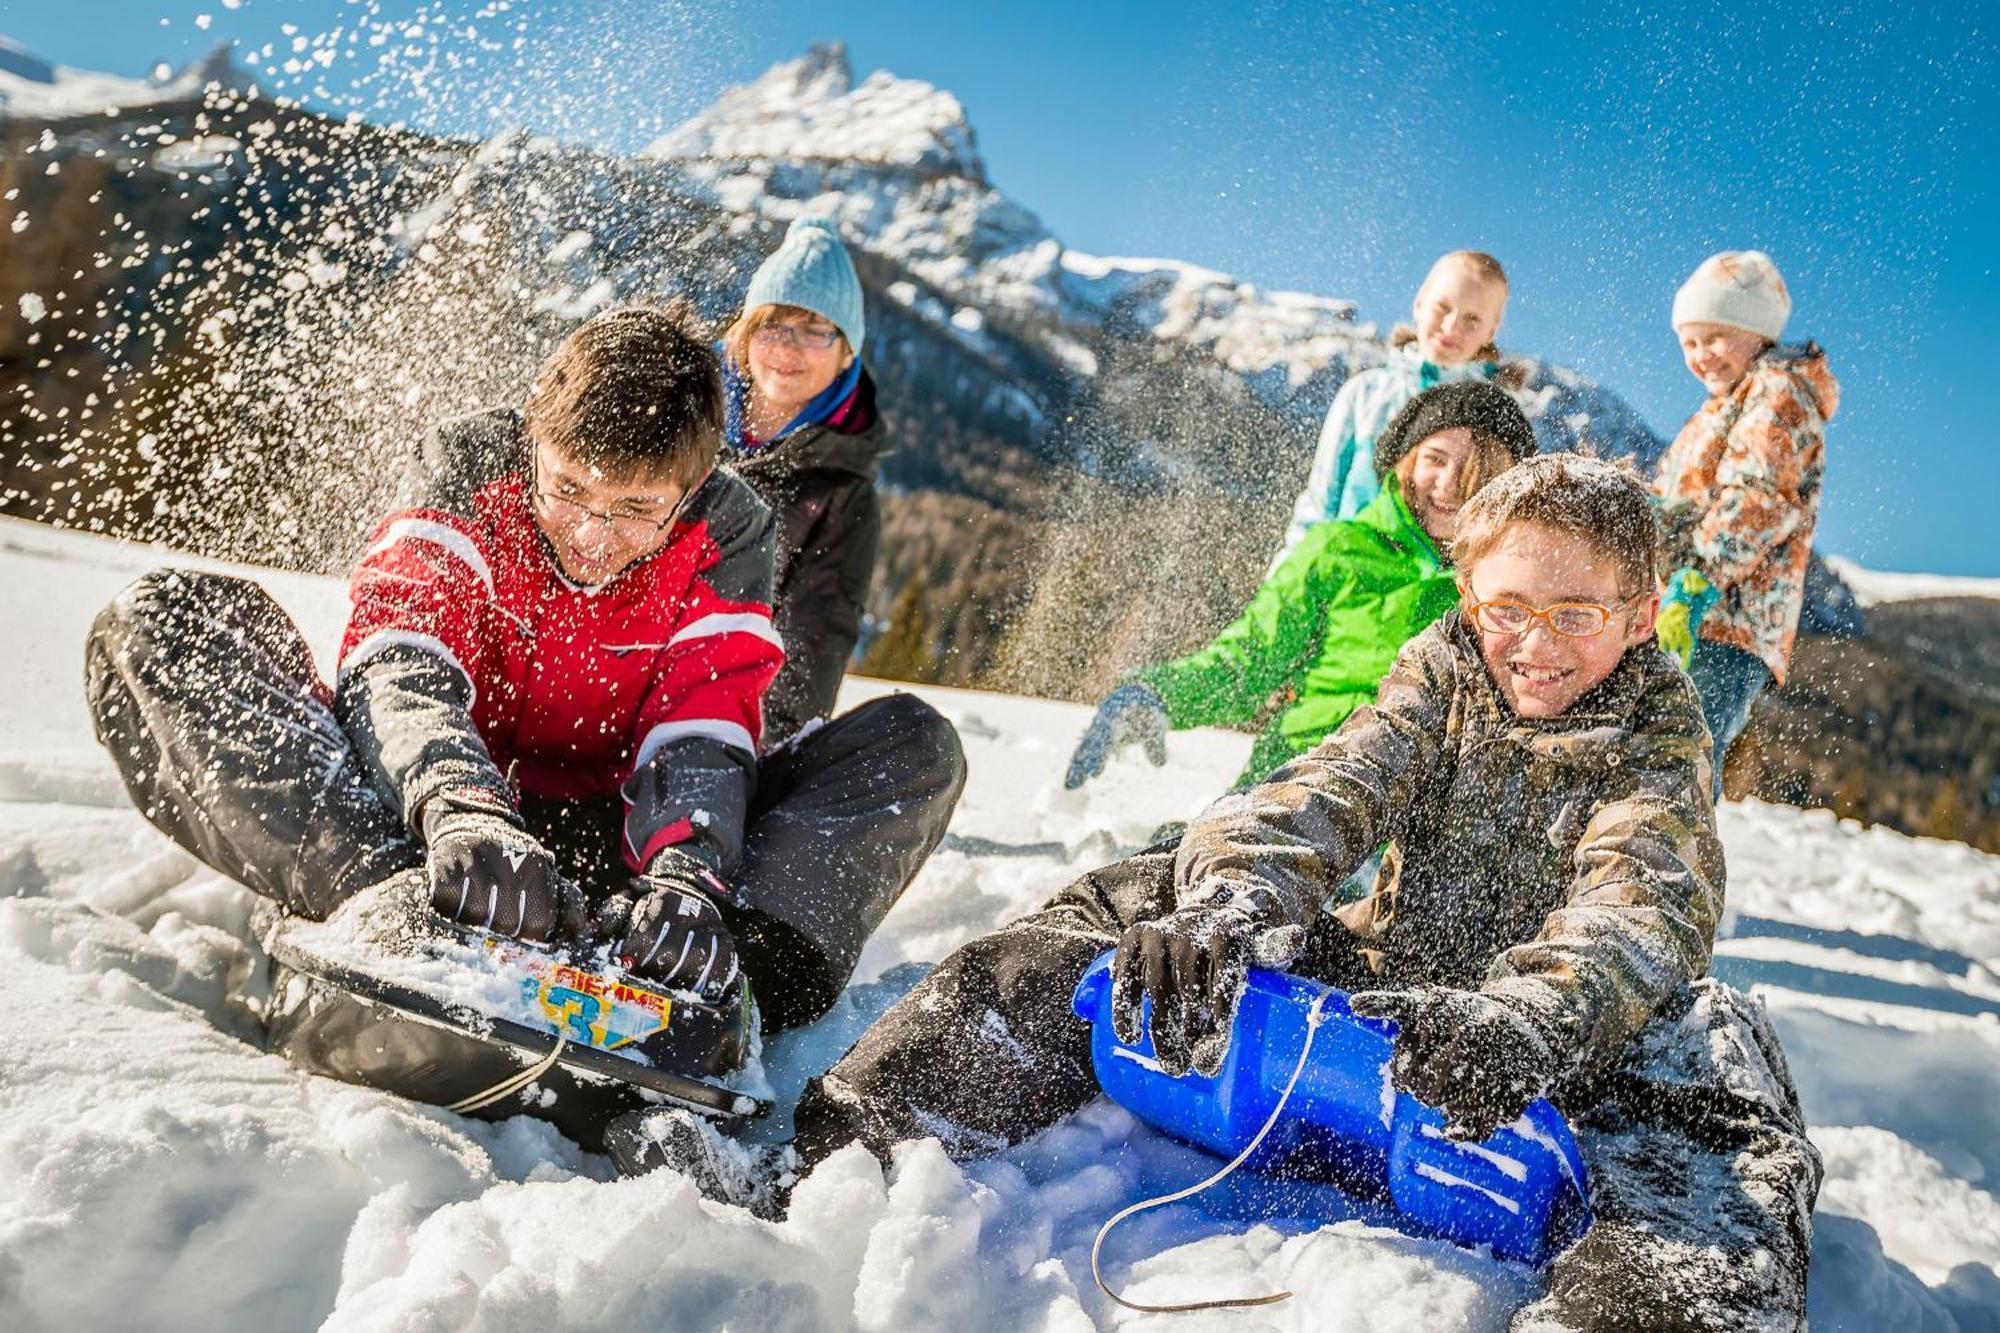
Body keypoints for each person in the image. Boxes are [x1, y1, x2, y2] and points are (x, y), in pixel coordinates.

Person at [622, 454, 1821, 1332]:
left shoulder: (1655, 723)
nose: (1536, 643)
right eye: (1508, 607)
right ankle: (836, 1150)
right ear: (1468, 597)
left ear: (1635, 612)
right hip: (1396, 981)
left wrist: (1533, 1018)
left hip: (1570, 1034)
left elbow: (1640, 896)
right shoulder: (1443, 667)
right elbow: (1326, 788)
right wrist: (1228, 908)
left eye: (1579, 615)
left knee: (1718, 1142)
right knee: (1132, 906)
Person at [84, 305, 965, 1138]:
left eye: (632, 510)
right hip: (423, 822)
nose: (590, 534)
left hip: (620, 856)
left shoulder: (729, 526)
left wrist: (691, 878)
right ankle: (380, 903)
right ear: (535, 440)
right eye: (570, 489)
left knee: (912, 744)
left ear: (693, 488)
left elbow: (703, 718)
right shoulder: (470, 462)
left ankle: (705, 987)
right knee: (161, 620)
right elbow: (401, 657)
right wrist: (456, 807)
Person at [1065, 381, 1538, 792]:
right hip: (1299, 779)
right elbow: (1250, 659)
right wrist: (1156, 694)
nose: (1451, 483)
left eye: (1480, 469)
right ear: (1405, 460)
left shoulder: (1516, 584)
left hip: (1418, 814)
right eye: (1435, 459)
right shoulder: (1336, 549)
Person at [1654, 249, 1837, 795]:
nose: (1699, 355)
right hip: (1687, 613)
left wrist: (1695, 581)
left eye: (1715, 337)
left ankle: (1671, 873)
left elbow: (1759, 498)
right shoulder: (1721, 406)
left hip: (1724, 619)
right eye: (1688, 342)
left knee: (1680, 764)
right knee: (1657, 753)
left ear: (1756, 332)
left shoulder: (1777, 395)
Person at [719, 215, 886, 745]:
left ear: (846, 353)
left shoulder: (842, 496)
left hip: (726, 736)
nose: (790, 348)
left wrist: (742, 760)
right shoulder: (687, 427)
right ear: (746, 334)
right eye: (775, 324)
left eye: (817, 330)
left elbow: (805, 669)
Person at [1273, 250, 1513, 562]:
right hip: (1345, 574)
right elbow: (1320, 503)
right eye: (1443, 307)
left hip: (1426, 593)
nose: (1452, 326)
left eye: (1472, 319)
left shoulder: (1495, 419)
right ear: (1419, 303)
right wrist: (1287, 580)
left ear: (1490, 332)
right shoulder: (1364, 395)